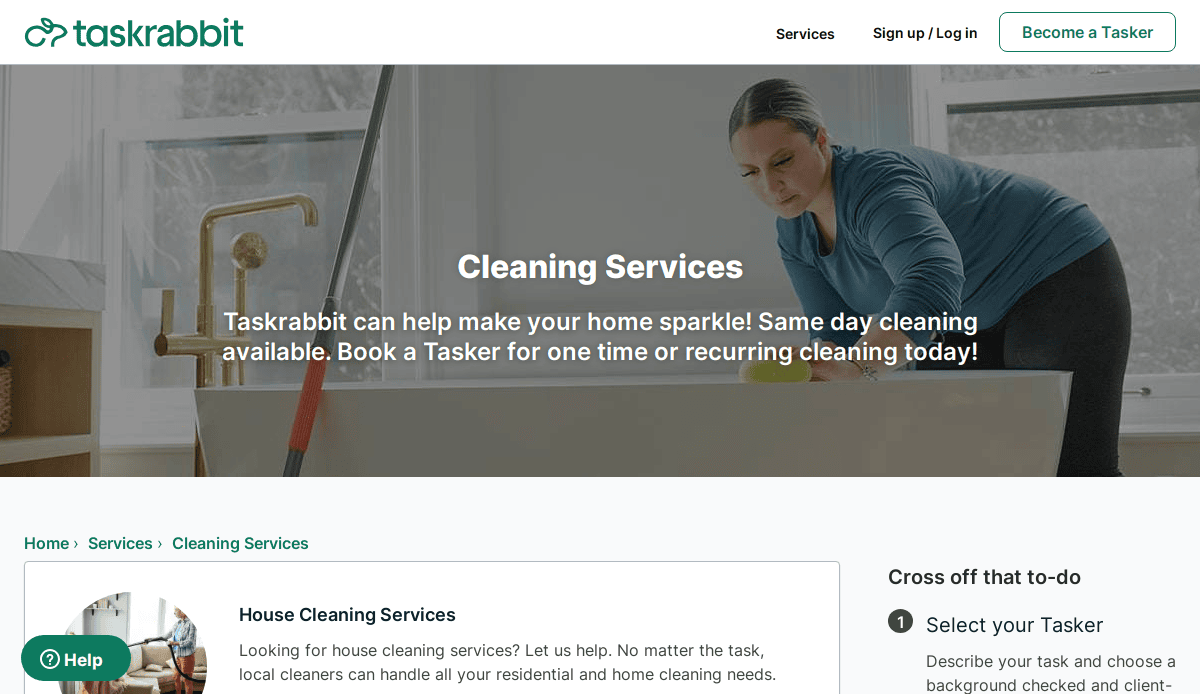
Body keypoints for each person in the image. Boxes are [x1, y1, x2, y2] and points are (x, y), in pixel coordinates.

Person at [728, 78, 1131, 476]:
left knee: (1074, 469)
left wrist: (862, 366)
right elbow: (837, 336)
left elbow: (932, 276)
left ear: (820, 140)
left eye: (782, 161)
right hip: (963, 316)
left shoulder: (877, 185)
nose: (770, 186)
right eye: (750, 173)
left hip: (1053, 268)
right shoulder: (794, 231)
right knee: (967, 465)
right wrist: (820, 375)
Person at [164, 607, 198, 694]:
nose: (174, 612)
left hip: (187, 656)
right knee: (176, 677)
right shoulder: (178, 624)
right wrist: (151, 639)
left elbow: (190, 641)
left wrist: (174, 643)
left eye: (176, 610)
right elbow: (165, 636)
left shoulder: (191, 624)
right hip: (178, 656)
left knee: (186, 680)